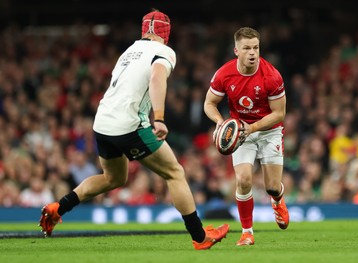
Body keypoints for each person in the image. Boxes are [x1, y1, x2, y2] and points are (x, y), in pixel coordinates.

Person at [39, 9, 229, 250]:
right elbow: (157, 77)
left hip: (103, 123)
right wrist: (158, 118)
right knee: (174, 172)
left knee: (113, 178)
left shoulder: (129, 51)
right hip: (129, 125)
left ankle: (58, 208)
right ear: (166, 31)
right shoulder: (164, 51)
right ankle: (200, 237)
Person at [203, 27, 289, 246]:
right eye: (247, 48)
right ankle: (247, 232)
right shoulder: (224, 73)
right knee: (243, 180)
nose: (252, 53)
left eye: (256, 48)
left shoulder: (272, 76)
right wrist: (221, 122)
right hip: (241, 131)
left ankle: (277, 199)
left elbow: (279, 113)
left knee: (271, 185)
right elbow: (209, 104)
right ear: (236, 50)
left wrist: (253, 128)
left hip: (269, 130)